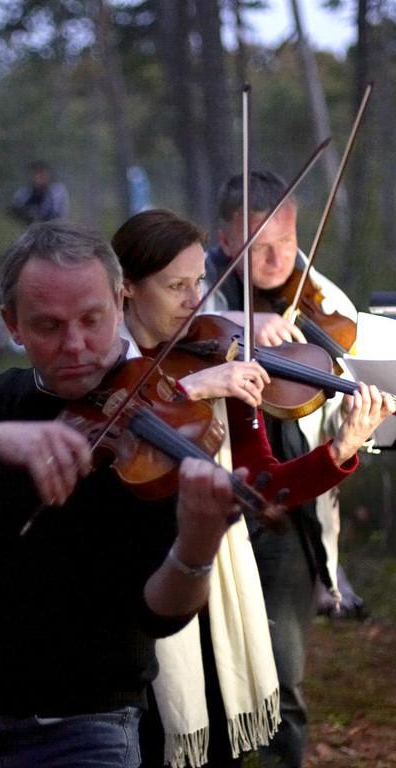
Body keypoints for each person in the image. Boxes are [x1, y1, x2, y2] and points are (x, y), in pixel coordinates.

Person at [0, 221, 253, 767]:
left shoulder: (164, 432)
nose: (76, 345)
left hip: (88, 730)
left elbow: (161, 616)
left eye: (92, 320)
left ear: (119, 302)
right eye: (48, 326)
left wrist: (196, 548)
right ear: (12, 325)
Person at [111, 209, 393, 767]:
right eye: (176, 286)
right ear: (126, 290)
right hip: (127, 599)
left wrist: (339, 451)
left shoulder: (219, 352)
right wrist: (190, 388)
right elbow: (103, 440)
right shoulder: (103, 368)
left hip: (211, 589)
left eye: (199, 283)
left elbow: (263, 482)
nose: (196, 301)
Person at [203, 173, 376, 767]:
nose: (279, 259)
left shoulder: (325, 302)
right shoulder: (201, 295)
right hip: (213, 504)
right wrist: (241, 329)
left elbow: (343, 409)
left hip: (290, 506)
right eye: (257, 245)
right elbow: (166, 348)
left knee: (282, 672)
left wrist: (361, 422)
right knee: (211, 677)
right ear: (225, 239)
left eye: (288, 240)